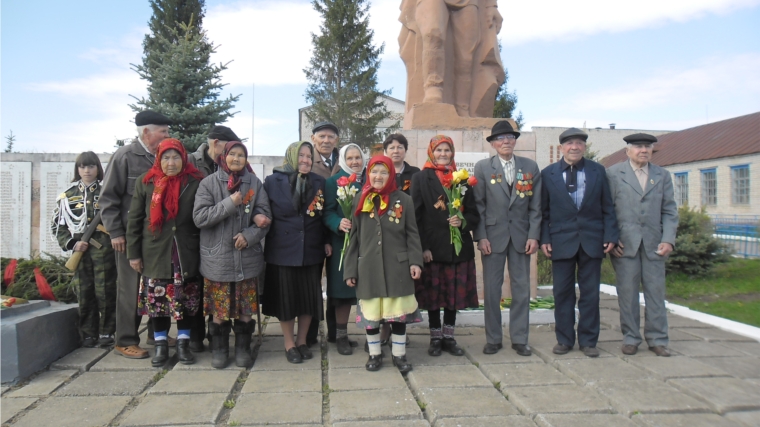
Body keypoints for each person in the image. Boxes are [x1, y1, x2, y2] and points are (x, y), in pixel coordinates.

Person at [540, 128, 619, 358]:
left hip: (592, 241)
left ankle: (588, 341)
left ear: (584, 147)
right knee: (562, 293)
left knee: (590, 294)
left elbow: (608, 207)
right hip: (561, 241)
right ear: (562, 147)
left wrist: (611, 235)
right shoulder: (549, 174)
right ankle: (564, 339)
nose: (574, 147)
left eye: (579, 143)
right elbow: (543, 211)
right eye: (569, 143)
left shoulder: (597, 171)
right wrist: (545, 237)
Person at [126, 139, 204, 367]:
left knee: (186, 300)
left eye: (176, 157)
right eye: (166, 158)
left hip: (185, 251)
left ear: (184, 158)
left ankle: (183, 344)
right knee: (157, 302)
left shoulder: (195, 181)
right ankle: (160, 345)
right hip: (155, 252)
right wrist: (134, 254)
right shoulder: (146, 182)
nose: (171, 163)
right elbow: (135, 220)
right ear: (159, 160)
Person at [100, 110, 172, 359]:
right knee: (130, 289)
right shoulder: (125, 156)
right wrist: (115, 233)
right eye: (163, 131)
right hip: (128, 239)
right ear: (146, 132)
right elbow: (107, 198)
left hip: (155, 239)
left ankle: (156, 333)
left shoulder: (162, 157)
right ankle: (125, 340)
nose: (167, 135)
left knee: (157, 285)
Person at [193, 141, 271, 368]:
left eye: (241, 155)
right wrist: (230, 202)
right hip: (218, 258)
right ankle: (219, 348)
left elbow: (265, 217)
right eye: (233, 154)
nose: (236, 159)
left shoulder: (254, 183)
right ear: (223, 156)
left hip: (247, 257)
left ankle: (243, 348)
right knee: (220, 308)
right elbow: (200, 218)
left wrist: (249, 235)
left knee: (246, 308)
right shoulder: (208, 184)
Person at [344, 155, 424, 373]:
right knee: (372, 317)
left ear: (391, 175)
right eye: (374, 171)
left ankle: (399, 355)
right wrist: (350, 269)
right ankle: (375, 354)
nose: (378, 176)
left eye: (384, 172)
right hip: (368, 268)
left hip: (397, 268)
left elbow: (412, 235)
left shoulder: (403, 200)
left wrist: (415, 261)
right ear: (368, 174)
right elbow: (354, 238)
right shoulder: (360, 199)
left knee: (398, 315)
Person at [473, 121, 542, 356]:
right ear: (493, 143)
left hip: (522, 238)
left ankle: (520, 338)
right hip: (492, 238)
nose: (506, 142)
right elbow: (479, 206)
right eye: (500, 138)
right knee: (492, 291)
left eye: (510, 137)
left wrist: (534, 235)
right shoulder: (483, 168)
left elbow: (536, 207)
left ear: (515, 141)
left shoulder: (530, 166)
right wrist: (480, 236)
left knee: (521, 289)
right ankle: (493, 338)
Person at [608, 133, 678, 357]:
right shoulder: (613, 174)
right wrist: (611, 238)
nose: (644, 150)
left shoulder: (662, 175)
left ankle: (658, 339)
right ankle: (631, 338)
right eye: (638, 147)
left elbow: (669, 211)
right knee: (627, 294)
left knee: (655, 293)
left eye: (648, 146)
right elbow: (606, 210)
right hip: (624, 244)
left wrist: (668, 239)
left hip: (654, 244)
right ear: (627, 150)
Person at [262, 142, 330, 363]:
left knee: (308, 297)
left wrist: (327, 241)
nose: (306, 160)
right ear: (291, 156)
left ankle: (302, 341)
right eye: (301, 155)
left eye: (309, 156)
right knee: (287, 299)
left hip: (311, 248)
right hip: (283, 249)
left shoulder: (319, 182)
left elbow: (324, 215)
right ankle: (289, 343)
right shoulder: (273, 182)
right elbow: (263, 211)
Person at [412, 135, 479, 357]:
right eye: (439, 150)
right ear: (431, 152)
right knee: (433, 296)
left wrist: (463, 222)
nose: (443, 154)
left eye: (447, 150)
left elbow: (474, 214)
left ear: (452, 153)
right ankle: (435, 338)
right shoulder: (421, 178)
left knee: (452, 295)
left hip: (457, 250)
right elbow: (416, 216)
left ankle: (449, 337)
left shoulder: (462, 179)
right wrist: (423, 247)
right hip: (433, 249)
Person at [51, 152, 116, 348]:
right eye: (82, 167)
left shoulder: (107, 192)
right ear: (77, 169)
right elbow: (57, 226)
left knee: (105, 291)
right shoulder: (68, 195)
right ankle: (88, 333)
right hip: (81, 248)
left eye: (91, 166)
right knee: (84, 292)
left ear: (98, 168)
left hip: (104, 250)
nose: (87, 171)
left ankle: (107, 332)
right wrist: (72, 244)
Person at [187, 125, 241, 352]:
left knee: (216, 289)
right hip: (192, 235)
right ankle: (196, 337)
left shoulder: (237, 171)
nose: (232, 155)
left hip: (221, 241)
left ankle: (217, 337)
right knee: (194, 290)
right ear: (216, 143)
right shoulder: (189, 162)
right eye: (228, 149)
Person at [323, 143, 366, 355]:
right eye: (350, 158)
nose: (355, 162)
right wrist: (338, 222)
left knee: (364, 290)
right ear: (342, 160)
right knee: (341, 292)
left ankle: (372, 333)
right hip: (343, 243)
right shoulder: (332, 183)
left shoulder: (370, 179)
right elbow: (327, 211)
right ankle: (340, 335)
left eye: (358, 157)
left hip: (365, 244)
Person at [307, 121, 341, 347]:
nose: (326, 141)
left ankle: (335, 333)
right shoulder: (307, 162)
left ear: (336, 140)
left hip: (339, 233)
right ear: (313, 138)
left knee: (337, 284)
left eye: (331, 137)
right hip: (312, 236)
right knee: (312, 284)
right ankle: (309, 334)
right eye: (322, 136)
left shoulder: (344, 162)